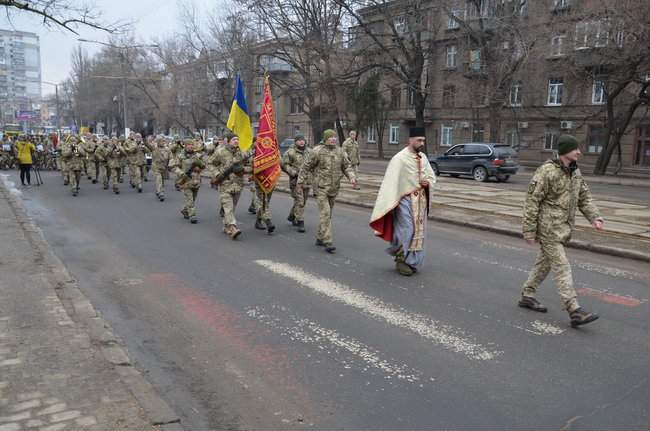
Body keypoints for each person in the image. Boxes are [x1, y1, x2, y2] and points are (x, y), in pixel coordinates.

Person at [519, 134, 603, 328]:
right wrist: (529, 230)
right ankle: (574, 309)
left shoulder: (575, 172)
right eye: (576, 149)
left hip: (562, 228)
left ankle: (527, 295)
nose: (579, 152)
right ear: (566, 151)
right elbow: (532, 201)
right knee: (561, 265)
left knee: (544, 263)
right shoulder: (547, 171)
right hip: (548, 228)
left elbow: (584, 197)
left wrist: (595, 217)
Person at [369, 127, 436, 276]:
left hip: (420, 201)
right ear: (410, 140)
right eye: (419, 140)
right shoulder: (399, 158)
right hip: (404, 200)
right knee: (406, 230)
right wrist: (393, 203)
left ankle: (411, 261)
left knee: (419, 232)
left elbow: (431, 176)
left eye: (423, 140)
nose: (422, 143)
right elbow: (390, 183)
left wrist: (428, 183)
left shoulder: (423, 158)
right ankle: (400, 260)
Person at [298, 129, 357, 253]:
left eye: (335, 137)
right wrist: (300, 182)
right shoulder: (317, 151)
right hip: (321, 188)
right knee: (325, 213)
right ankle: (327, 240)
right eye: (331, 137)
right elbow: (306, 167)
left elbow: (346, 166)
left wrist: (351, 177)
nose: (333, 139)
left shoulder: (340, 151)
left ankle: (320, 237)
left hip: (334, 188)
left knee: (328, 214)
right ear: (325, 139)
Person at [208, 133, 252, 239]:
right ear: (227, 140)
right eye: (233, 139)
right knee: (228, 207)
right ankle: (233, 227)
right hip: (225, 183)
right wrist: (217, 174)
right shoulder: (220, 151)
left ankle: (226, 226)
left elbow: (251, 165)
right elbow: (210, 163)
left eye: (237, 139)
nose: (236, 141)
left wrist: (244, 170)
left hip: (238, 184)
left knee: (232, 208)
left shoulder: (242, 152)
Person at [170, 139, 205, 224]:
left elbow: (204, 166)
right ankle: (192, 215)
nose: (190, 146)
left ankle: (185, 210)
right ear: (185, 146)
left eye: (192, 144)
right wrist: (181, 173)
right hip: (185, 181)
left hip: (196, 180)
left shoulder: (197, 155)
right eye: (189, 145)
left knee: (193, 198)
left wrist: (200, 165)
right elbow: (173, 166)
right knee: (190, 199)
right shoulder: (180, 156)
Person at [281, 134, 311, 232]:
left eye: (303, 140)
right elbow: (284, 165)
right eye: (299, 140)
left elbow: (314, 163)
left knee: (303, 201)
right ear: (295, 141)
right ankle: (300, 222)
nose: (302, 142)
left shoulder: (309, 151)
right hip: (296, 181)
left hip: (307, 181)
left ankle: (291, 216)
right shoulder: (290, 152)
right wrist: (292, 172)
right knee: (300, 201)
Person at [144, 135, 171, 201]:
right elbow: (147, 144)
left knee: (162, 181)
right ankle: (160, 192)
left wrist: (171, 166)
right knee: (158, 179)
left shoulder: (167, 149)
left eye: (163, 141)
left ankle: (158, 190)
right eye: (161, 141)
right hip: (156, 167)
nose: (163, 142)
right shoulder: (154, 148)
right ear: (158, 142)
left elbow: (171, 158)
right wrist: (144, 138)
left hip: (164, 167)